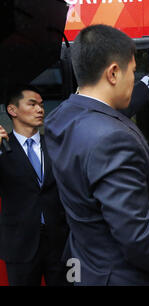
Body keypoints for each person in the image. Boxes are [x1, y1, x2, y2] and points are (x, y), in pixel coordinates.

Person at [44, 24, 149, 285]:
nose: (132, 79)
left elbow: (103, 113)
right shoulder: (113, 140)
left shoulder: (61, 118)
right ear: (114, 72)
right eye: (133, 72)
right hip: (121, 275)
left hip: (87, 265)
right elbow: (135, 234)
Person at [0, 85, 70, 286]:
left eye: (41, 105)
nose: (40, 109)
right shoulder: (3, 148)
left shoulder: (56, 145)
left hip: (60, 243)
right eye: (32, 104)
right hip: (19, 243)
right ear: (12, 110)